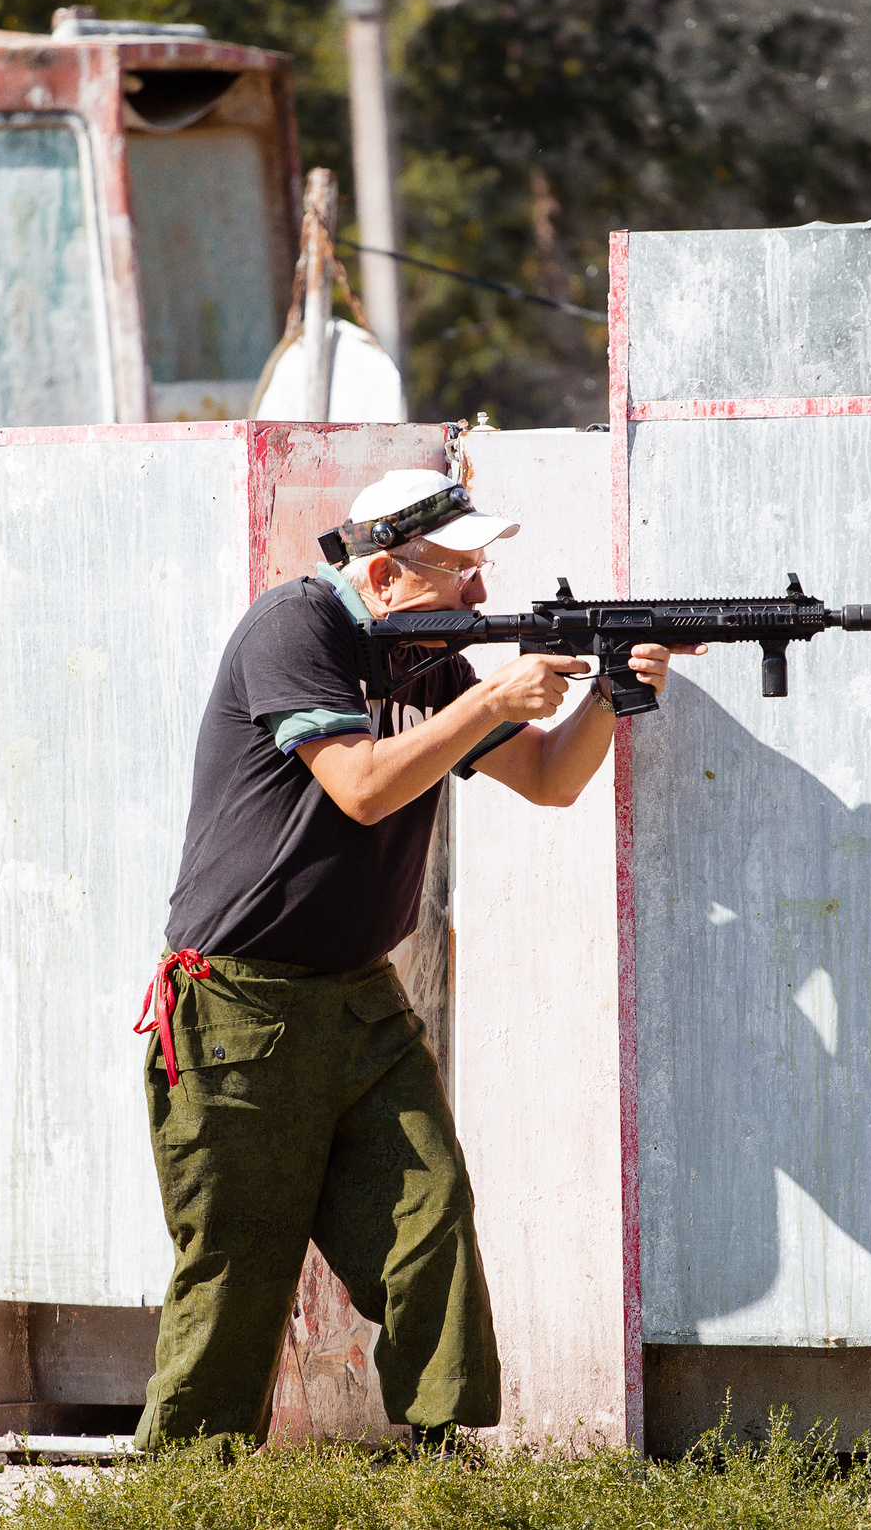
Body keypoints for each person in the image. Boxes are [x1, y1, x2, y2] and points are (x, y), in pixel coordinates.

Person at [133, 467, 691, 1448]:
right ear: (385, 574)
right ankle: (187, 1477)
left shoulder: (425, 656)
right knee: (237, 1259)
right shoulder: (295, 629)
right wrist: (490, 701)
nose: (480, 591)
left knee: (429, 1219)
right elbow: (359, 787)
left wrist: (612, 694)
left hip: (359, 998)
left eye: (481, 569)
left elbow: (548, 777)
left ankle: (441, 1454)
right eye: (459, 570)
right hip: (238, 1006)